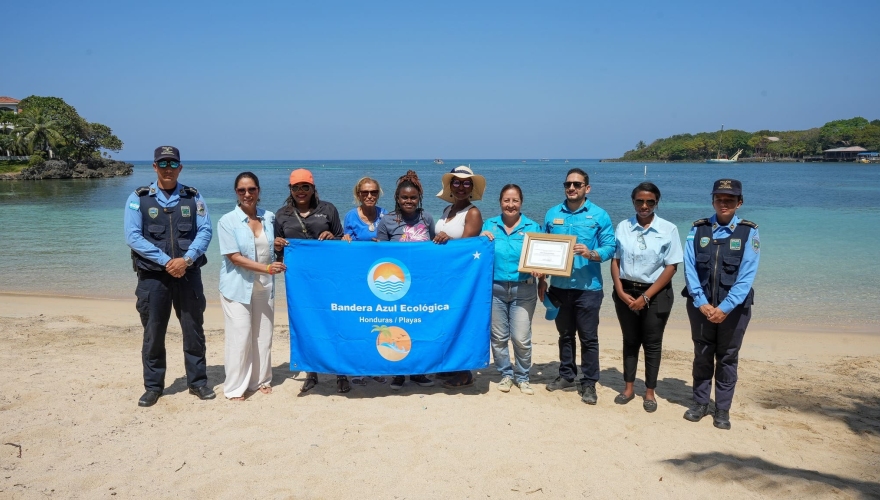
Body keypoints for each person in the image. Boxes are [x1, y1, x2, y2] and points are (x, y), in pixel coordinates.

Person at [125, 146, 214, 407]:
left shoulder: (193, 197)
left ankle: (197, 383)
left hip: (188, 274)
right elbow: (132, 236)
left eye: (173, 164)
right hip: (153, 278)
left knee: (193, 330)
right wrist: (167, 262)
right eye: (162, 164)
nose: (168, 169)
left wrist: (185, 260)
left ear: (180, 167)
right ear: (154, 166)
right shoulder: (138, 198)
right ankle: (153, 387)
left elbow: (205, 231)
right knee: (153, 333)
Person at [682, 179, 760, 430]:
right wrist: (701, 302)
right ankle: (700, 403)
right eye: (719, 198)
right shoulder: (698, 229)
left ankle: (722, 409)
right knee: (702, 354)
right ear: (712, 200)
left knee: (727, 358)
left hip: (734, 310)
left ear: (740, 202)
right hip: (700, 306)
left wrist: (725, 307)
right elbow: (690, 269)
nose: (723, 203)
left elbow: (747, 275)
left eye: (729, 199)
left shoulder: (749, 232)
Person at [538, 168, 615, 405]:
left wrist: (591, 253)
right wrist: (540, 277)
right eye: (568, 184)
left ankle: (589, 382)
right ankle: (566, 375)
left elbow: (610, 246)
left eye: (577, 184)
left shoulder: (599, 215)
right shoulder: (552, 214)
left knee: (589, 338)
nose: (572, 188)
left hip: (588, 287)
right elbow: (542, 247)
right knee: (565, 334)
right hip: (559, 286)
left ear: (587, 188)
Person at [610, 182, 683, 412]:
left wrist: (646, 297)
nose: (644, 205)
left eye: (650, 201)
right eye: (639, 201)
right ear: (633, 202)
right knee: (630, 341)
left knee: (652, 344)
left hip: (657, 292)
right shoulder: (623, 226)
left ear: (656, 202)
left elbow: (671, 267)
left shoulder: (668, 229)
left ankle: (649, 392)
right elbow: (615, 260)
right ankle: (629, 388)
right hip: (625, 291)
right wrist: (620, 290)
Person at [273, 168, 346, 393]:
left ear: (313, 188)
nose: (301, 191)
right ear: (290, 189)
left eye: (306, 186)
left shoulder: (328, 209)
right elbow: (279, 254)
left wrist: (333, 238)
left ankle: (341, 372)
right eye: (296, 187)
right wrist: (276, 246)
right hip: (300, 282)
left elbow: (342, 242)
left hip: (328, 277)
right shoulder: (282, 214)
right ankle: (311, 372)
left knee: (335, 321)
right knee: (306, 324)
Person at [218, 172, 286, 401]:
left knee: (263, 335)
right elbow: (234, 257)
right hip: (237, 287)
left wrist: (278, 244)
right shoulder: (227, 221)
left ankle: (261, 380)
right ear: (236, 193)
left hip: (264, 287)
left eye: (251, 189)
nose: (247, 194)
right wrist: (266, 268)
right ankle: (235, 387)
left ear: (259, 190)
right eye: (242, 190)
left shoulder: (269, 217)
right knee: (240, 336)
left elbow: (274, 246)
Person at [376, 170, 436, 390]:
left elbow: (433, 250)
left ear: (419, 197)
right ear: (397, 198)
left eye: (413, 197)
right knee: (397, 327)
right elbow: (379, 256)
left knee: (419, 326)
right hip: (396, 286)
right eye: (404, 197)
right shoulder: (387, 221)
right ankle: (399, 372)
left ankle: (418, 371)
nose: (409, 201)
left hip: (421, 284)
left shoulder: (427, 218)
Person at [480, 184, 541, 395]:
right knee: (498, 337)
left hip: (524, 289)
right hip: (494, 289)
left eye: (515, 200)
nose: (511, 205)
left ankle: (523, 376)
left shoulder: (533, 227)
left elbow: (543, 259)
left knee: (521, 337)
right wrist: (481, 238)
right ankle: (506, 374)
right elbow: (477, 256)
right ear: (500, 202)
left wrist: (541, 272)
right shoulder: (489, 225)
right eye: (506, 200)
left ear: (521, 202)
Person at [433, 165, 485, 389]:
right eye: (456, 182)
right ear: (450, 186)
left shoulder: (472, 212)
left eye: (466, 183)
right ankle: (451, 367)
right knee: (446, 321)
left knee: (460, 321)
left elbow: (466, 248)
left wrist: (447, 241)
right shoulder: (447, 211)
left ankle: (464, 373)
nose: (461, 186)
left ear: (472, 188)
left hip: (460, 279)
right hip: (444, 277)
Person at [341, 177, 388, 386]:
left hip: (381, 279)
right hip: (359, 280)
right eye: (365, 193)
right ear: (358, 195)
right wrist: (345, 241)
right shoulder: (351, 216)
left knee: (379, 323)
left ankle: (376, 367)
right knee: (360, 324)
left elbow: (393, 241)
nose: (369, 196)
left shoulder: (385, 214)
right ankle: (358, 369)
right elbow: (346, 245)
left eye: (373, 192)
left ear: (378, 194)